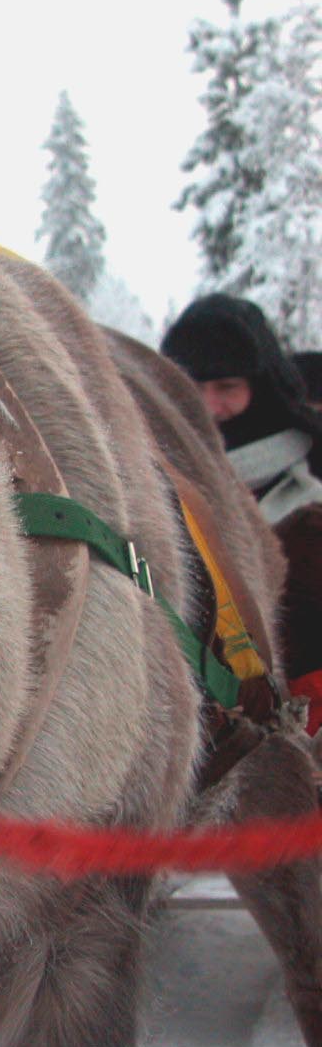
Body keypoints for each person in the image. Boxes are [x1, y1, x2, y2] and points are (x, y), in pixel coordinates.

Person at [162, 294, 322, 726]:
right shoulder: (154, 479)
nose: (207, 408)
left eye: (226, 388)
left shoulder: (311, 482)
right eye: (190, 388)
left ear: (260, 386)